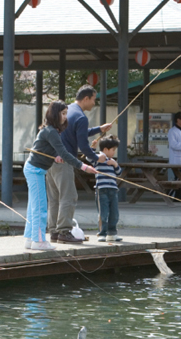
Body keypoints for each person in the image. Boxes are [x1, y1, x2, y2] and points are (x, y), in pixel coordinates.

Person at [25, 101, 99, 250]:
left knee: (34, 206)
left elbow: (47, 148)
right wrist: (84, 167)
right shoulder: (51, 131)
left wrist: (54, 156)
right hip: (35, 170)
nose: (66, 117)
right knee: (39, 207)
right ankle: (39, 241)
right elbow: (65, 152)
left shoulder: (51, 130)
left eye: (66, 113)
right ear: (54, 114)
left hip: (36, 169)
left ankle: (30, 239)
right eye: (63, 113)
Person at [49, 85, 111, 244]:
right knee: (68, 196)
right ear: (86, 99)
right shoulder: (81, 117)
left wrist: (99, 129)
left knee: (54, 197)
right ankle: (64, 231)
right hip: (64, 161)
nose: (94, 103)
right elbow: (84, 145)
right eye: (93, 100)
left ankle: (54, 232)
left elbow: (77, 131)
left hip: (49, 159)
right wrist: (97, 158)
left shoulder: (65, 110)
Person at [94, 136, 123, 242]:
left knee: (114, 213)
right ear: (105, 149)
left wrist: (115, 164)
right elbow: (89, 158)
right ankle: (102, 233)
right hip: (101, 190)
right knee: (103, 213)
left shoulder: (112, 161)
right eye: (113, 150)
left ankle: (112, 233)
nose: (114, 152)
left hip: (113, 190)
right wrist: (93, 148)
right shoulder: (99, 158)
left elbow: (119, 173)